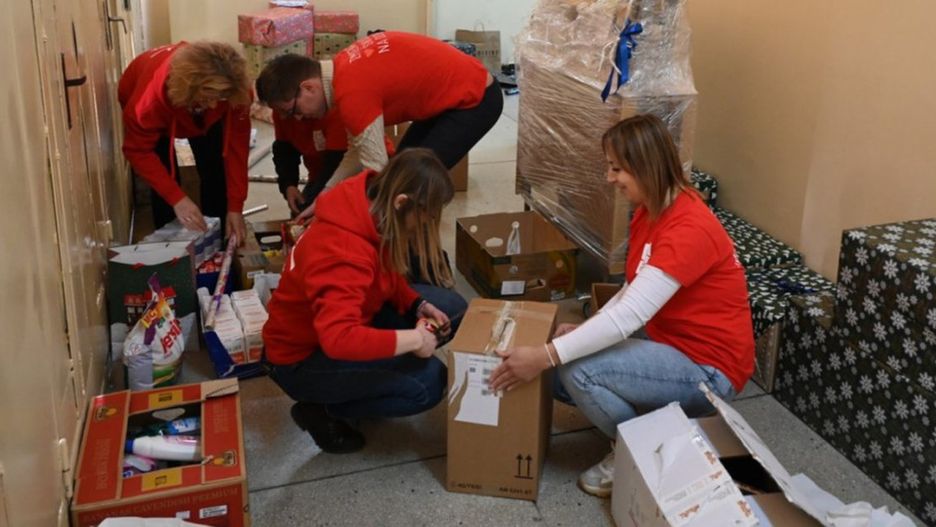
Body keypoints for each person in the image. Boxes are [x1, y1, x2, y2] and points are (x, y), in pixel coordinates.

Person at [488, 114, 755, 497]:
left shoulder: (688, 228)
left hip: (710, 370)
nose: (609, 178)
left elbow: (631, 315)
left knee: (577, 369)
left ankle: (636, 452)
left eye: (617, 168)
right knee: (559, 376)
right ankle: (659, 419)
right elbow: (634, 288)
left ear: (645, 167)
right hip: (673, 342)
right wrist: (585, 328)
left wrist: (547, 354)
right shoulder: (651, 209)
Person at [262, 148, 468, 453]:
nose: (425, 226)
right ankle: (322, 410)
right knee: (429, 385)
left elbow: (383, 275)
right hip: (303, 360)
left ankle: (374, 380)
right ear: (402, 202)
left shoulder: (368, 202)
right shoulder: (343, 253)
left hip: (350, 318)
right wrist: (413, 339)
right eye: (425, 217)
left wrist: (416, 305)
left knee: (452, 310)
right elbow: (338, 338)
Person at [255, 31, 503, 219]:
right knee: (402, 174)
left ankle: (418, 269)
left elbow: (376, 170)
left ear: (309, 87)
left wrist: (337, 216)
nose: (298, 119)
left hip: (475, 99)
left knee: (403, 190)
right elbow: (356, 151)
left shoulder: (352, 93)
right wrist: (324, 196)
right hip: (450, 97)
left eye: (294, 110)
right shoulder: (343, 69)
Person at [118, 41, 252, 242]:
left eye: (221, 98)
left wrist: (235, 207)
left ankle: (216, 239)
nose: (215, 104)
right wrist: (177, 198)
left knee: (215, 168)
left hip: (193, 107)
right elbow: (138, 151)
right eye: (209, 97)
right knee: (162, 180)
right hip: (158, 103)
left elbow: (236, 150)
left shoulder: (235, 92)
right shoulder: (147, 103)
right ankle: (168, 246)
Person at [271, 110, 396, 216]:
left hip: (359, 174)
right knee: (301, 213)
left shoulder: (332, 112)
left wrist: (320, 202)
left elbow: (337, 165)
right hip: (322, 175)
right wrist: (289, 184)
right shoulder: (283, 109)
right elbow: (284, 150)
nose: (282, 116)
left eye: (286, 111)